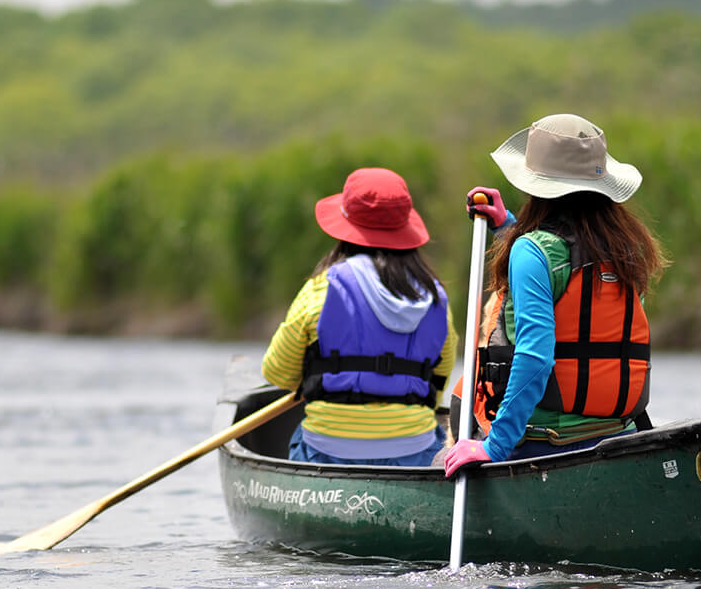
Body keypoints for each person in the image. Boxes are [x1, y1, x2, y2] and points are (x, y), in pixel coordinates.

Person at [443, 113, 669, 479]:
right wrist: (507, 225)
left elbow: (535, 357)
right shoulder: (627, 247)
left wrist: (494, 446)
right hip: (616, 433)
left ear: (537, 184)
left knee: (460, 401)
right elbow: (569, 266)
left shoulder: (530, 251)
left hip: (542, 442)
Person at [262, 166, 458, 466]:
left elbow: (277, 371)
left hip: (328, 448)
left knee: (301, 435)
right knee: (433, 439)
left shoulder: (320, 289)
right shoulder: (435, 299)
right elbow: (438, 380)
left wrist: (322, 378)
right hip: (412, 449)